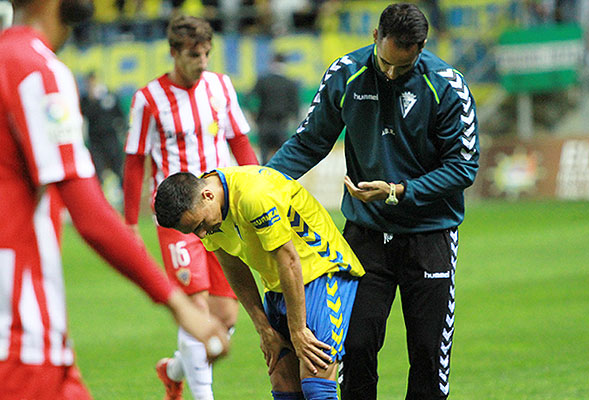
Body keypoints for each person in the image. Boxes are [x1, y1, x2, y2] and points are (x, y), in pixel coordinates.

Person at [0, 1, 229, 400]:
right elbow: (88, 213)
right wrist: (178, 305)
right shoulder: (35, 69)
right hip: (19, 334)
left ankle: (173, 370)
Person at [267, 3, 479, 400]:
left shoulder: (448, 86)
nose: (392, 73)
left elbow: (463, 168)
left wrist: (400, 191)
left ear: (421, 48)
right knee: (357, 347)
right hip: (364, 235)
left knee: (428, 357)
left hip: (430, 236)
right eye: (385, 63)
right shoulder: (345, 74)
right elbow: (310, 141)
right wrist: (263, 184)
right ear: (375, 38)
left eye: (403, 65)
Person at [123, 13, 259, 400]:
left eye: (206, 54)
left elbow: (239, 140)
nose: (201, 63)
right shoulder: (149, 99)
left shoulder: (220, 87)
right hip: (177, 217)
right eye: (193, 56)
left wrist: (257, 187)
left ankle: (173, 370)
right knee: (195, 307)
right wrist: (130, 223)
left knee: (227, 318)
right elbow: (135, 160)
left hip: (219, 211)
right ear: (173, 53)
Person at [153, 166, 365, 400]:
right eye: (194, 231)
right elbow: (234, 268)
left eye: (200, 225)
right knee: (284, 384)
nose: (202, 235)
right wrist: (264, 329)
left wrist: (297, 330)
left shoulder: (253, 194)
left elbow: (289, 260)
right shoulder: (208, 211)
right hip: (278, 286)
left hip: (323, 272)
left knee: (315, 383)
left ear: (208, 195)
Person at [250, 52, 300, 164]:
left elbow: (248, 98)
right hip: (281, 124)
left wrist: (254, 116)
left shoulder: (263, 80)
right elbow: (295, 107)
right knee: (283, 161)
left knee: (264, 160)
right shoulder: (290, 83)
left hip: (264, 123)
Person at [80, 71, 125, 186]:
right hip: (95, 142)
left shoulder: (110, 95)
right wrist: (93, 100)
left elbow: (119, 115)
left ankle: (124, 195)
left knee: (119, 169)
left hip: (111, 139)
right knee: (97, 172)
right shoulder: (85, 100)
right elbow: (85, 115)